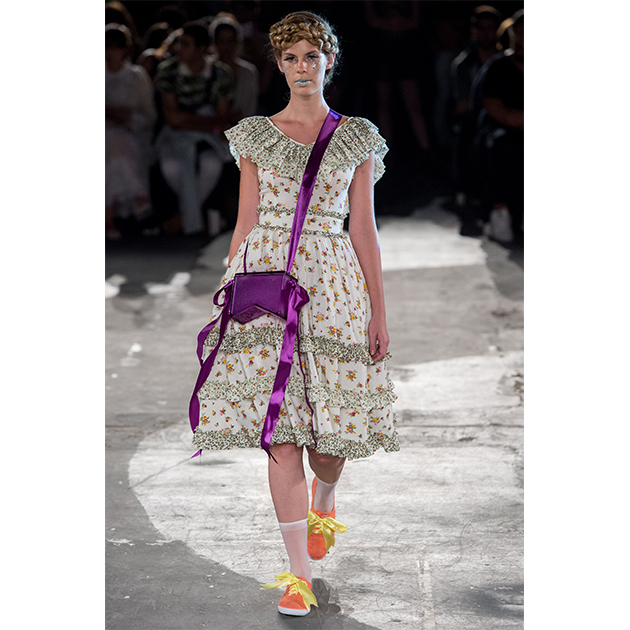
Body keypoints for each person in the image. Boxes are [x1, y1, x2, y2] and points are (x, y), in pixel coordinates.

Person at [190, 10, 399, 617]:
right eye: (291, 58)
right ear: (278, 65)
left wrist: (378, 311)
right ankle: (297, 577)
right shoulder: (255, 135)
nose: (302, 67)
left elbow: (364, 228)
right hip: (266, 284)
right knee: (280, 437)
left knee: (328, 444)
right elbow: (246, 219)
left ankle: (324, 501)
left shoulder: (356, 137)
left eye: (313, 56)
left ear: (329, 61)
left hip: (334, 286)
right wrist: (228, 288)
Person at [153, 21, 234, 235]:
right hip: (175, 136)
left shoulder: (220, 73)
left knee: (212, 164)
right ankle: (194, 216)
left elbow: (222, 119)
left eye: (186, 44)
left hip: (209, 138)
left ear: (202, 48)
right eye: (180, 43)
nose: (179, 48)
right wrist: (208, 120)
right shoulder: (167, 71)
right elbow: (172, 119)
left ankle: (185, 216)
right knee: (171, 166)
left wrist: (187, 119)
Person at [450, 5, 502, 232]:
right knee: (469, 136)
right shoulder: (464, 63)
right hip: (475, 120)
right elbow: (462, 103)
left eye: (490, 28)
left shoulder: (506, 61)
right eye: (481, 28)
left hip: (502, 119)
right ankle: (469, 196)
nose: (485, 33)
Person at [105, 23, 157, 240]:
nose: (109, 52)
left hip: (133, 138)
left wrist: (125, 118)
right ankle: (139, 196)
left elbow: (149, 117)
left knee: (115, 145)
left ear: (124, 49)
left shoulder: (136, 77)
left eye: (114, 47)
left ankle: (108, 215)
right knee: (113, 142)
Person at [480, 10, 524, 245]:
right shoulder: (499, 66)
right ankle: (500, 212)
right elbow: (493, 107)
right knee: (502, 145)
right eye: (519, 34)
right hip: (503, 128)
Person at [209, 14, 259, 120]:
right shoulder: (206, 68)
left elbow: (249, 108)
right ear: (215, 42)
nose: (227, 46)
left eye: (231, 40)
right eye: (222, 41)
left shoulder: (248, 72)